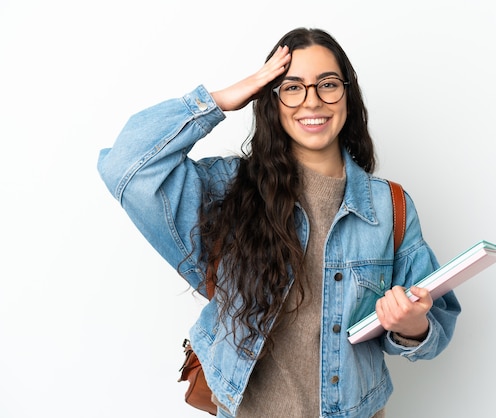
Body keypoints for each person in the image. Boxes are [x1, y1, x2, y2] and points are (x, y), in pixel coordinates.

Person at [97, 27, 461, 418]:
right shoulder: (228, 189)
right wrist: (219, 101)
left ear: (347, 96)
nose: (313, 101)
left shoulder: (390, 207)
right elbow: (126, 167)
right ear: (270, 100)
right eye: (292, 87)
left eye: (328, 84)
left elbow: (435, 327)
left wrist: (411, 324)